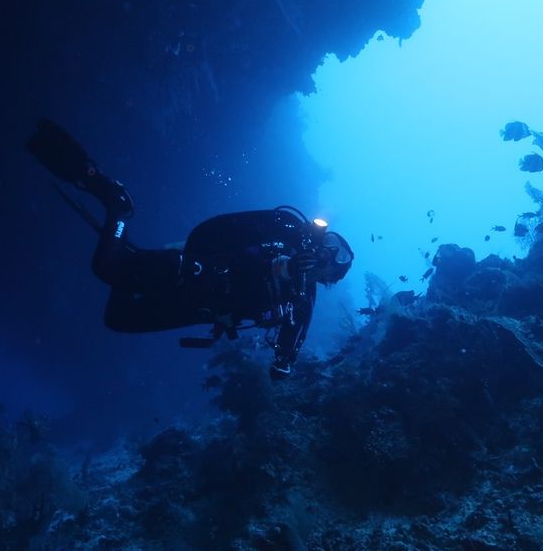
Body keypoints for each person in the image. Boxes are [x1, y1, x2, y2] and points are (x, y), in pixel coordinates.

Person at [27, 119, 353, 379]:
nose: (327, 254)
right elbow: (248, 249)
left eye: (335, 259)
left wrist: (284, 362)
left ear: (331, 278)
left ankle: (132, 257)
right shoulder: (289, 235)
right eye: (330, 245)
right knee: (107, 267)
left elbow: (296, 331)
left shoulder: (303, 295)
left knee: (117, 317)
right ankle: (117, 205)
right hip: (196, 267)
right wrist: (282, 266)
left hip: (199, 307)